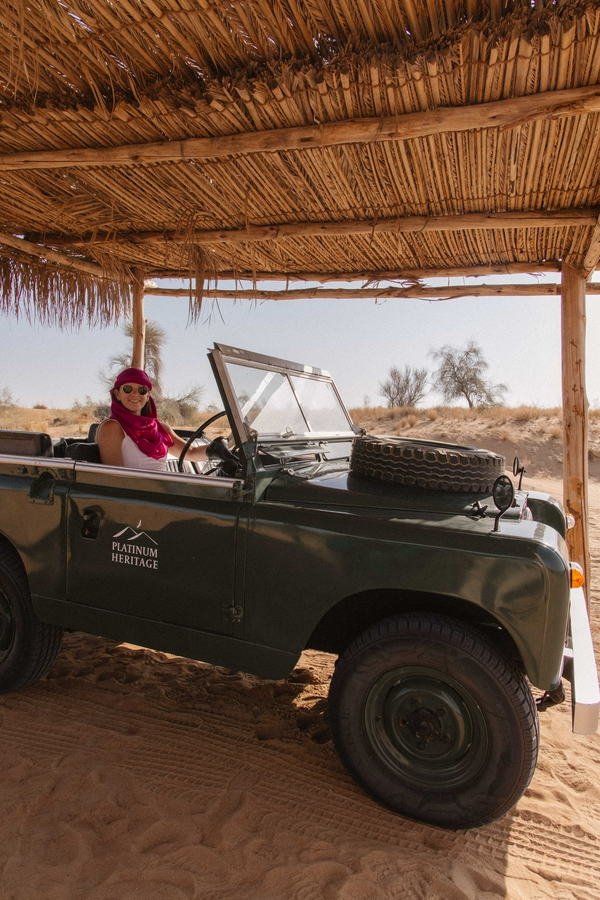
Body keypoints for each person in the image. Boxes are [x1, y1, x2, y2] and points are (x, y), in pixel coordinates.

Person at [97, 367, 211, 471]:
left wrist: (218, 448)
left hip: (163, 489)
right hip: (134, 492)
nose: (135, 394)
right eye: (128, 389)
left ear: (147, 396)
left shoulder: (160, 428)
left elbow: (191, 453)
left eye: (142, 390)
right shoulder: (112, 427)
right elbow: (114, 477)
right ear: (117, 394)